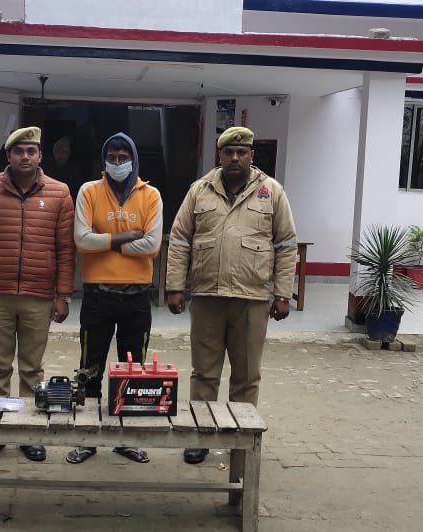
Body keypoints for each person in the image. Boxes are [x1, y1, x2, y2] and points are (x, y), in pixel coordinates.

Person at [165, 126, 297, 465]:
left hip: (252, 298)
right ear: (219, 156)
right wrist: (175, 286)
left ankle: (241, 438)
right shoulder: (200, 191)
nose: (235, 157)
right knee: (204, 373)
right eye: (229, 152)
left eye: (242, 152)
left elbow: (286, 245)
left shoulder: (272, 192)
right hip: (207, 296)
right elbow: (179, 240)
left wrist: (283, 294)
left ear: (252, 155)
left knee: (247, 374)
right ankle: (200, 436)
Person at [0, 126, 76, 463]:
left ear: (40, 156)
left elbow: (65, 250)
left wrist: (63, 295)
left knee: (32, 370)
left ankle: (28, 432)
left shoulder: (60, 193)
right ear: (8, 155)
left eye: (31, 151)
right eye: (18, 151)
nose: (25, 157)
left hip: (38, 296)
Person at [67, 133, 162, 465]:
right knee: (89, 368)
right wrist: (124, 237)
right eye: (113, 157)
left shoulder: (151, 195)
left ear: (134, 160)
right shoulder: (89, 191)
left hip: (137, 297)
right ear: (104, 160)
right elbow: (81, 240)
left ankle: (127, 439)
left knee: (132, 371)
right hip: (97, 295)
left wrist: (104, 241)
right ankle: (87, 439)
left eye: (124, 157)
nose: (118, 163)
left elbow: (152, 245)